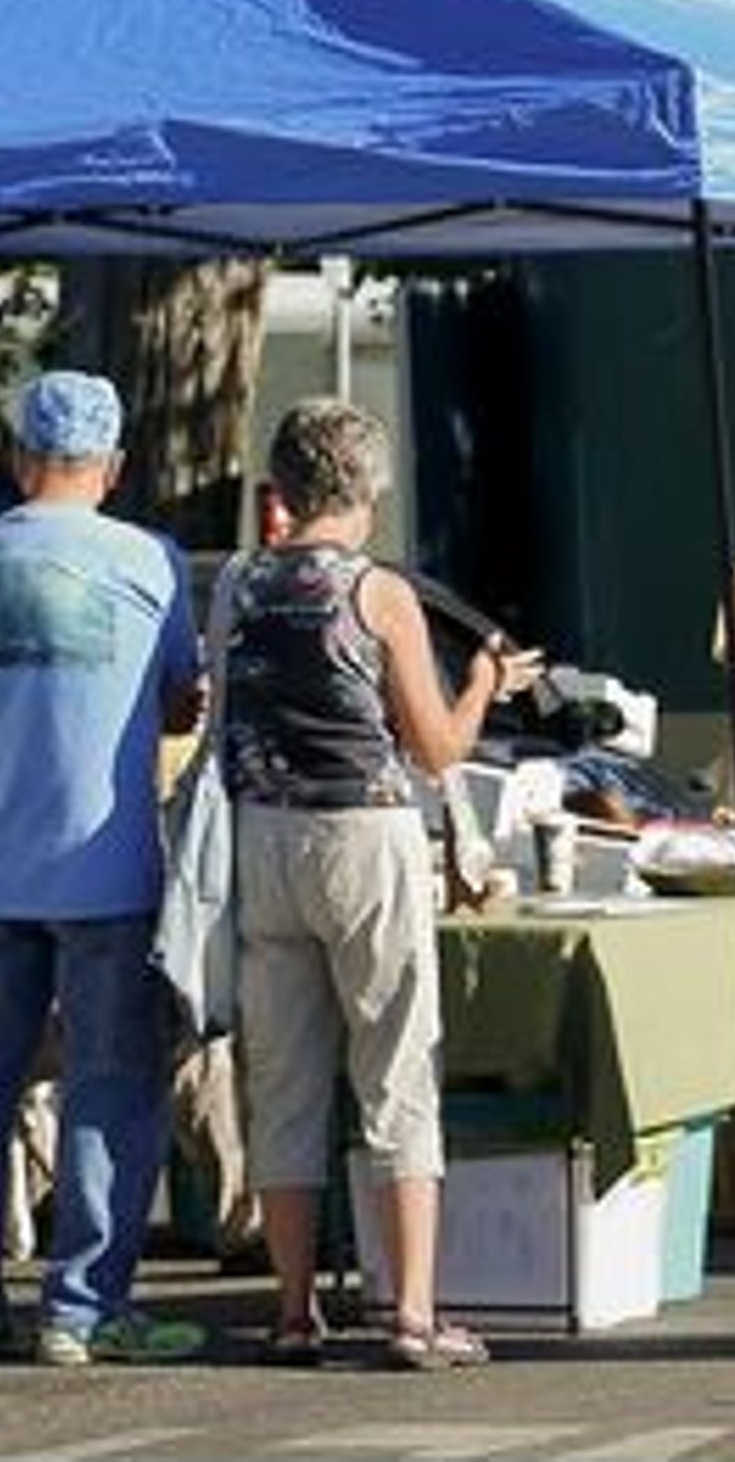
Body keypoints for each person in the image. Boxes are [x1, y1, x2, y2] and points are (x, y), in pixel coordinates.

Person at [223, 397, 541, 1369]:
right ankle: (410, 1312)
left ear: (282, 483)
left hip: (262, 834)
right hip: (364, 832)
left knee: (282, 1083)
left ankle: (289, 1311)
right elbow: (437, 749)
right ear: (366, 484)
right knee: (395, 1067)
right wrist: (488, 681)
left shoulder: (237, 584)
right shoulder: (378, 592)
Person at [0, 371, 211, 1365]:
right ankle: (81, 1312)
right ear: (116, 465)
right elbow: (183, 701)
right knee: (105, 1088)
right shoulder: (150, 560)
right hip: (105, 869)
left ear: (17, 458)